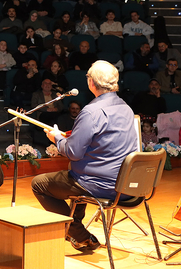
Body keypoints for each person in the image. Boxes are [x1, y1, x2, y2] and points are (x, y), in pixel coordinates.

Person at [31, 60, 139, 251]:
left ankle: (77, 232)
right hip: (128, 185)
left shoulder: (91, 111)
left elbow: (73, 153)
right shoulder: (126, 108)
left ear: (91, 83)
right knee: (76, 174)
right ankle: (76, 233)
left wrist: (56, 138)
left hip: (100, 185)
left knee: (39, 184)